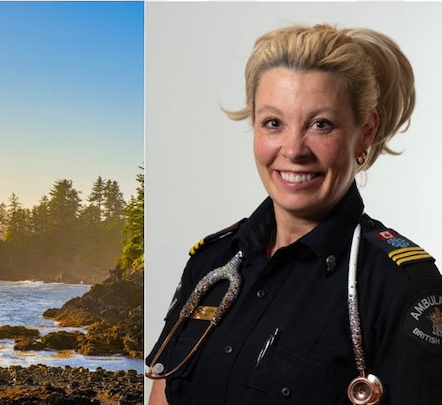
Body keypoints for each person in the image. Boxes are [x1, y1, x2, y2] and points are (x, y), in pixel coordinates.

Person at [145, 23, 442, 405]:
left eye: (321, 124)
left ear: (366, 131)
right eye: (274, 123)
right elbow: (161, 393)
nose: (293, 149)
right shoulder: (210, 263)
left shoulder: (403, 287)